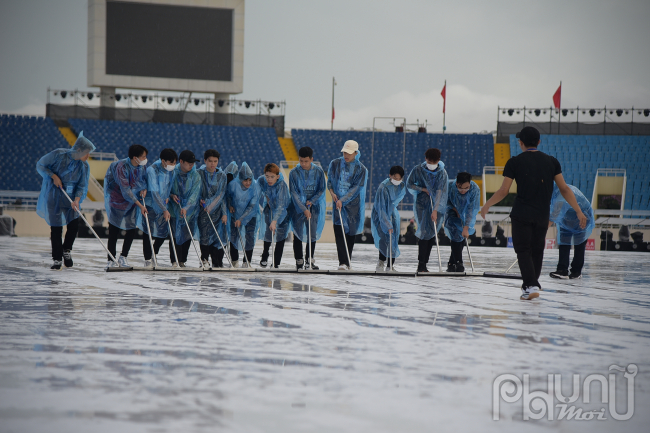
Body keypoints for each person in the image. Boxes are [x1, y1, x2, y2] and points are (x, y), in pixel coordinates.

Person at [480, 126, 587, 300]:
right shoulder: (552, 162)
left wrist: (487, 205)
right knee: (537, 251)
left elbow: (503, 190)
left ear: (521, 143)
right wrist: (579, 211)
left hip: (522, 214)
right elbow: (565, 189)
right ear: (538, 142)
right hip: (542, 215)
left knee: (523, 250)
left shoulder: (514, 162)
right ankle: (531, 285)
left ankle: (530, 285)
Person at [36, 132, 95, 270]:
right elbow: (41, 165)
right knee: (56, 229)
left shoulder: (84, 166)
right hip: (55, 197)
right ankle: (57, 259)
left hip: (71, 200)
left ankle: (66, 250)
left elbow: (82, 185)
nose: (88, 156)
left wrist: (77, 200)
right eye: (87, 152)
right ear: (79, 150)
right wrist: (53, 176)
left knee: (74, 226)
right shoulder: (58, 155)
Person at [104, 144, 148, 268]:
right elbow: (126, 190)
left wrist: (144, 189)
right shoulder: (121, 166)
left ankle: (123, 256)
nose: (145, 159)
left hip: (133, 202)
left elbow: (143, 181)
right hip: (118, 200)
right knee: (114, 230)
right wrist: (140, 205)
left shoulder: (142, 167)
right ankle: (111, 259)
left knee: (131, 229)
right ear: (135, 157)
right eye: (143, 156)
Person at [327, 140, 368, 270]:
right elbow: (330, 181)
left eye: (349, 152)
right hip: (338, 203)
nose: (346, 154)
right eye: (344, 151)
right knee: (339, 233)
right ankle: (342, 262)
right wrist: (332, 193)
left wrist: (343, 200)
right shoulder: (335, 164)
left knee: (350, 234)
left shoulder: (361, 169)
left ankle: (347, 260)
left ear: (356, 153)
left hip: (353, 207)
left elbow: (355, 189)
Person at [406, 148, 449, 272]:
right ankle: (421, 264)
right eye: (429, 161)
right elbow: (410, 184)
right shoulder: (418, 169)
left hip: (437, 205)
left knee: (431, 233)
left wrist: (435, 210)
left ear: (438, 161)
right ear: (425, 159)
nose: (431, 164)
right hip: (421, 204)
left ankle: (425, 262)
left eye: (434, 162)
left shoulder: (442, 173)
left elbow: (441, 192)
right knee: (424, 232)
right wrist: (423, 189)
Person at [137, 148, 177, 268]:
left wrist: (170, 195)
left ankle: (154, 253)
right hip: (150, 204)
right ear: (163, 161)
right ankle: (148, 259)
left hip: (163, 204)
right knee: (148, 232)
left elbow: (168, 187)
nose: (173, 166)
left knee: (163, 233)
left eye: (174, 163)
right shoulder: (152, 170)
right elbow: (154, 193)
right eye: (171, 163)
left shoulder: (170, 171)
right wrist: (164, 209)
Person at [289, 146, 327, 270]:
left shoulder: (319, 171)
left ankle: (309, 260)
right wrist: (303, 208)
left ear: (312, 159)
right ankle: (299, 260)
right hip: (298, 208)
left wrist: (312, 201)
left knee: (312, 233)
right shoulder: (293, 173)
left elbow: (321, 189)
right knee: (298, 233)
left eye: (306, 161)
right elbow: (293, 193)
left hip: (313, 207)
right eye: (301, 161)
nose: (303, 164)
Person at [549, 183, 595, 279]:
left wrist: (540, 232)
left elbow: (554, 216)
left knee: (579, 244)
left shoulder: (562, 193)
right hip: (567, 218)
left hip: (582, 216)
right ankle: (562, 270)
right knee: (564, 243)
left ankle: (576, 271)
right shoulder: (554, 193)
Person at [169, 150, 202, 267]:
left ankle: (182, 260)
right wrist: (172, 195)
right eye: (189, 162)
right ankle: (174, 260)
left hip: (190, 211)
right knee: (175, 234)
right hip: (174, 209)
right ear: (181, 161)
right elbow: (167, 190)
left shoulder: (196, 176)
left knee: (187, 235)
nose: (191, 165)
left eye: (193, 163)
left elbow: (195, 194)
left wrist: (187, 207)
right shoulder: (173, 173)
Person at [197, 149, 229, 269]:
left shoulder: (222, 175)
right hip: (203, 209)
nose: (212, 164)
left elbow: (221, 195)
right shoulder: (199, 173)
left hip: (218, 210)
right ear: (205, 160)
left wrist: (224, 213)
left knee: (219, 236)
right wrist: (200, 200)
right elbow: (196, 190)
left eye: (215, 161)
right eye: (210, 161)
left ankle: (217, 261)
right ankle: (204, 259)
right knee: (204, 235)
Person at [371, 166, 406, 272]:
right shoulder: (383, 187)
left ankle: (390, 266)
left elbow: (394, 202)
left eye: (399, 178)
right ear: (390, 176)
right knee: (384, 238)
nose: (397, 180)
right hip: (380, 214)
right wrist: (387, 222)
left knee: (393, 239)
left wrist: (391, 220)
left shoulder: (401, 185)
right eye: (395, 178)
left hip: (392, 213)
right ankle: (381, 262)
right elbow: (381, 207)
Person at [443, 172, 480, 272]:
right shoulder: (450, 186)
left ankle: (451, 263)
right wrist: (455, 210)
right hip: (452, 211)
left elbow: (472, 209)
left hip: (466, 212)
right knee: (455, 232)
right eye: (460, 188)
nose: (463, 191)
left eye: (466, 188)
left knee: (462, 234)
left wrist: (466, 227)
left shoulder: (474, 189)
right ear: (456, 183)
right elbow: (445, 201)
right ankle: (459, 262)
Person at [258, 163, 293, 268]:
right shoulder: (262, 180)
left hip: (283, 212)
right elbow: (256, 192)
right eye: (267, 176)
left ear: (277, 176)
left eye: (272, 177)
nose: (269, 179)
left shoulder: (282, 185)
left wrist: (275, 221)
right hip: (270, 209)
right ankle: (265, 255)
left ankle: (276, 262)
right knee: (268, 233)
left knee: (280, 236)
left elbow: (281, 205)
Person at [227, 162, 261, 267]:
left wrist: (241, 218)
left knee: (250, 236)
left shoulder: (255, 186)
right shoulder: (233, 185)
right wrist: (230, 205)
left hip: (251, 215)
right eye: (245, 180)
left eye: (250, 179)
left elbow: (252, 205)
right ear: (241, 178)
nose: (248, 182)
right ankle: (234, 260)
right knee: (234, 236)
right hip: (235, 214)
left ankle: (247, 261)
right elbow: (227, 196)